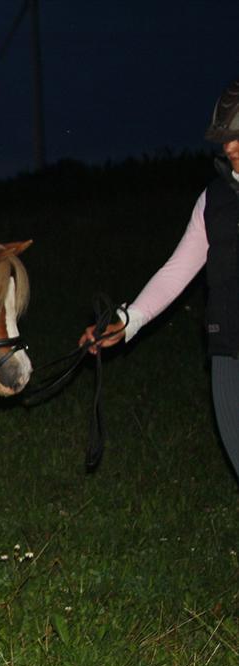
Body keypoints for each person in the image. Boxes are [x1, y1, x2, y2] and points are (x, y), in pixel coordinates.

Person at [81, 78, 239, 479]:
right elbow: (176, 271)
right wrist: (127, 321)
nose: (229, 149)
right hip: (228, 351)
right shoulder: (213, 201)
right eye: (225, 141)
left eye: (238, 138)